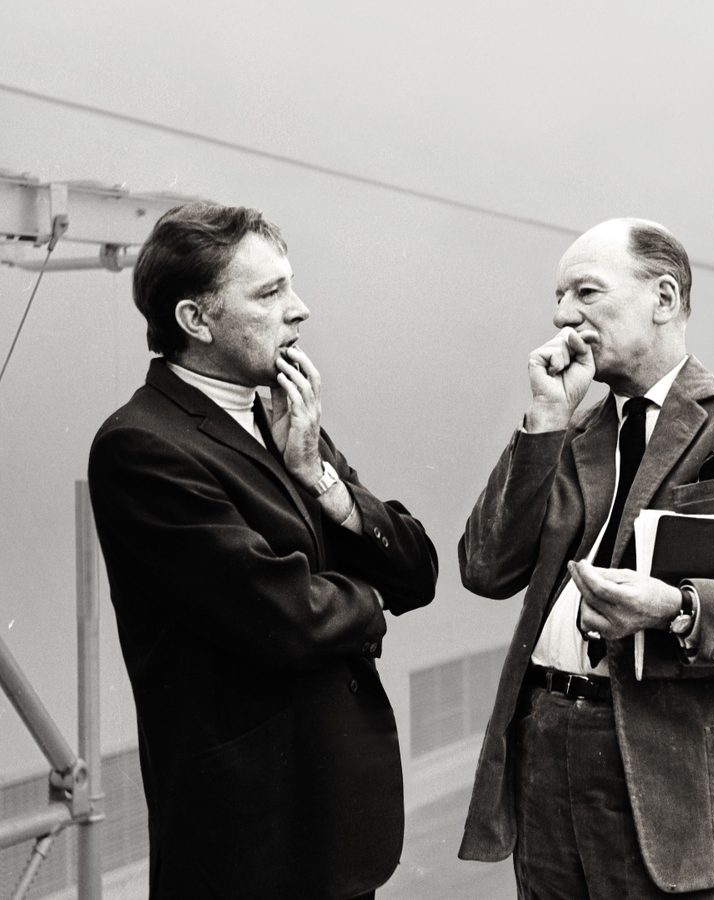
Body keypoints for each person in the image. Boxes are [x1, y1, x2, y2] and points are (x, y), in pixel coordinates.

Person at [457, 218, 714, 898]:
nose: (561, 315)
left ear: (663, 298)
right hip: (546, 741)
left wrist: (675, 606)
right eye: (557, 297)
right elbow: (486, 567)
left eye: (585, 292)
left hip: (670, 758)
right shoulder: (569, 428)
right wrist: (544, 420)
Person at [88, 202, 438, 900]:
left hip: (329, 821)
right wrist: (367, 598)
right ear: (195, 320)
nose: (299, 309)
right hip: (251, 839)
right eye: (270, 293)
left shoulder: (281, 415)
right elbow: (286, 616)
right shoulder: (143, 446)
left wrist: (321, 479)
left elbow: (416, 571)